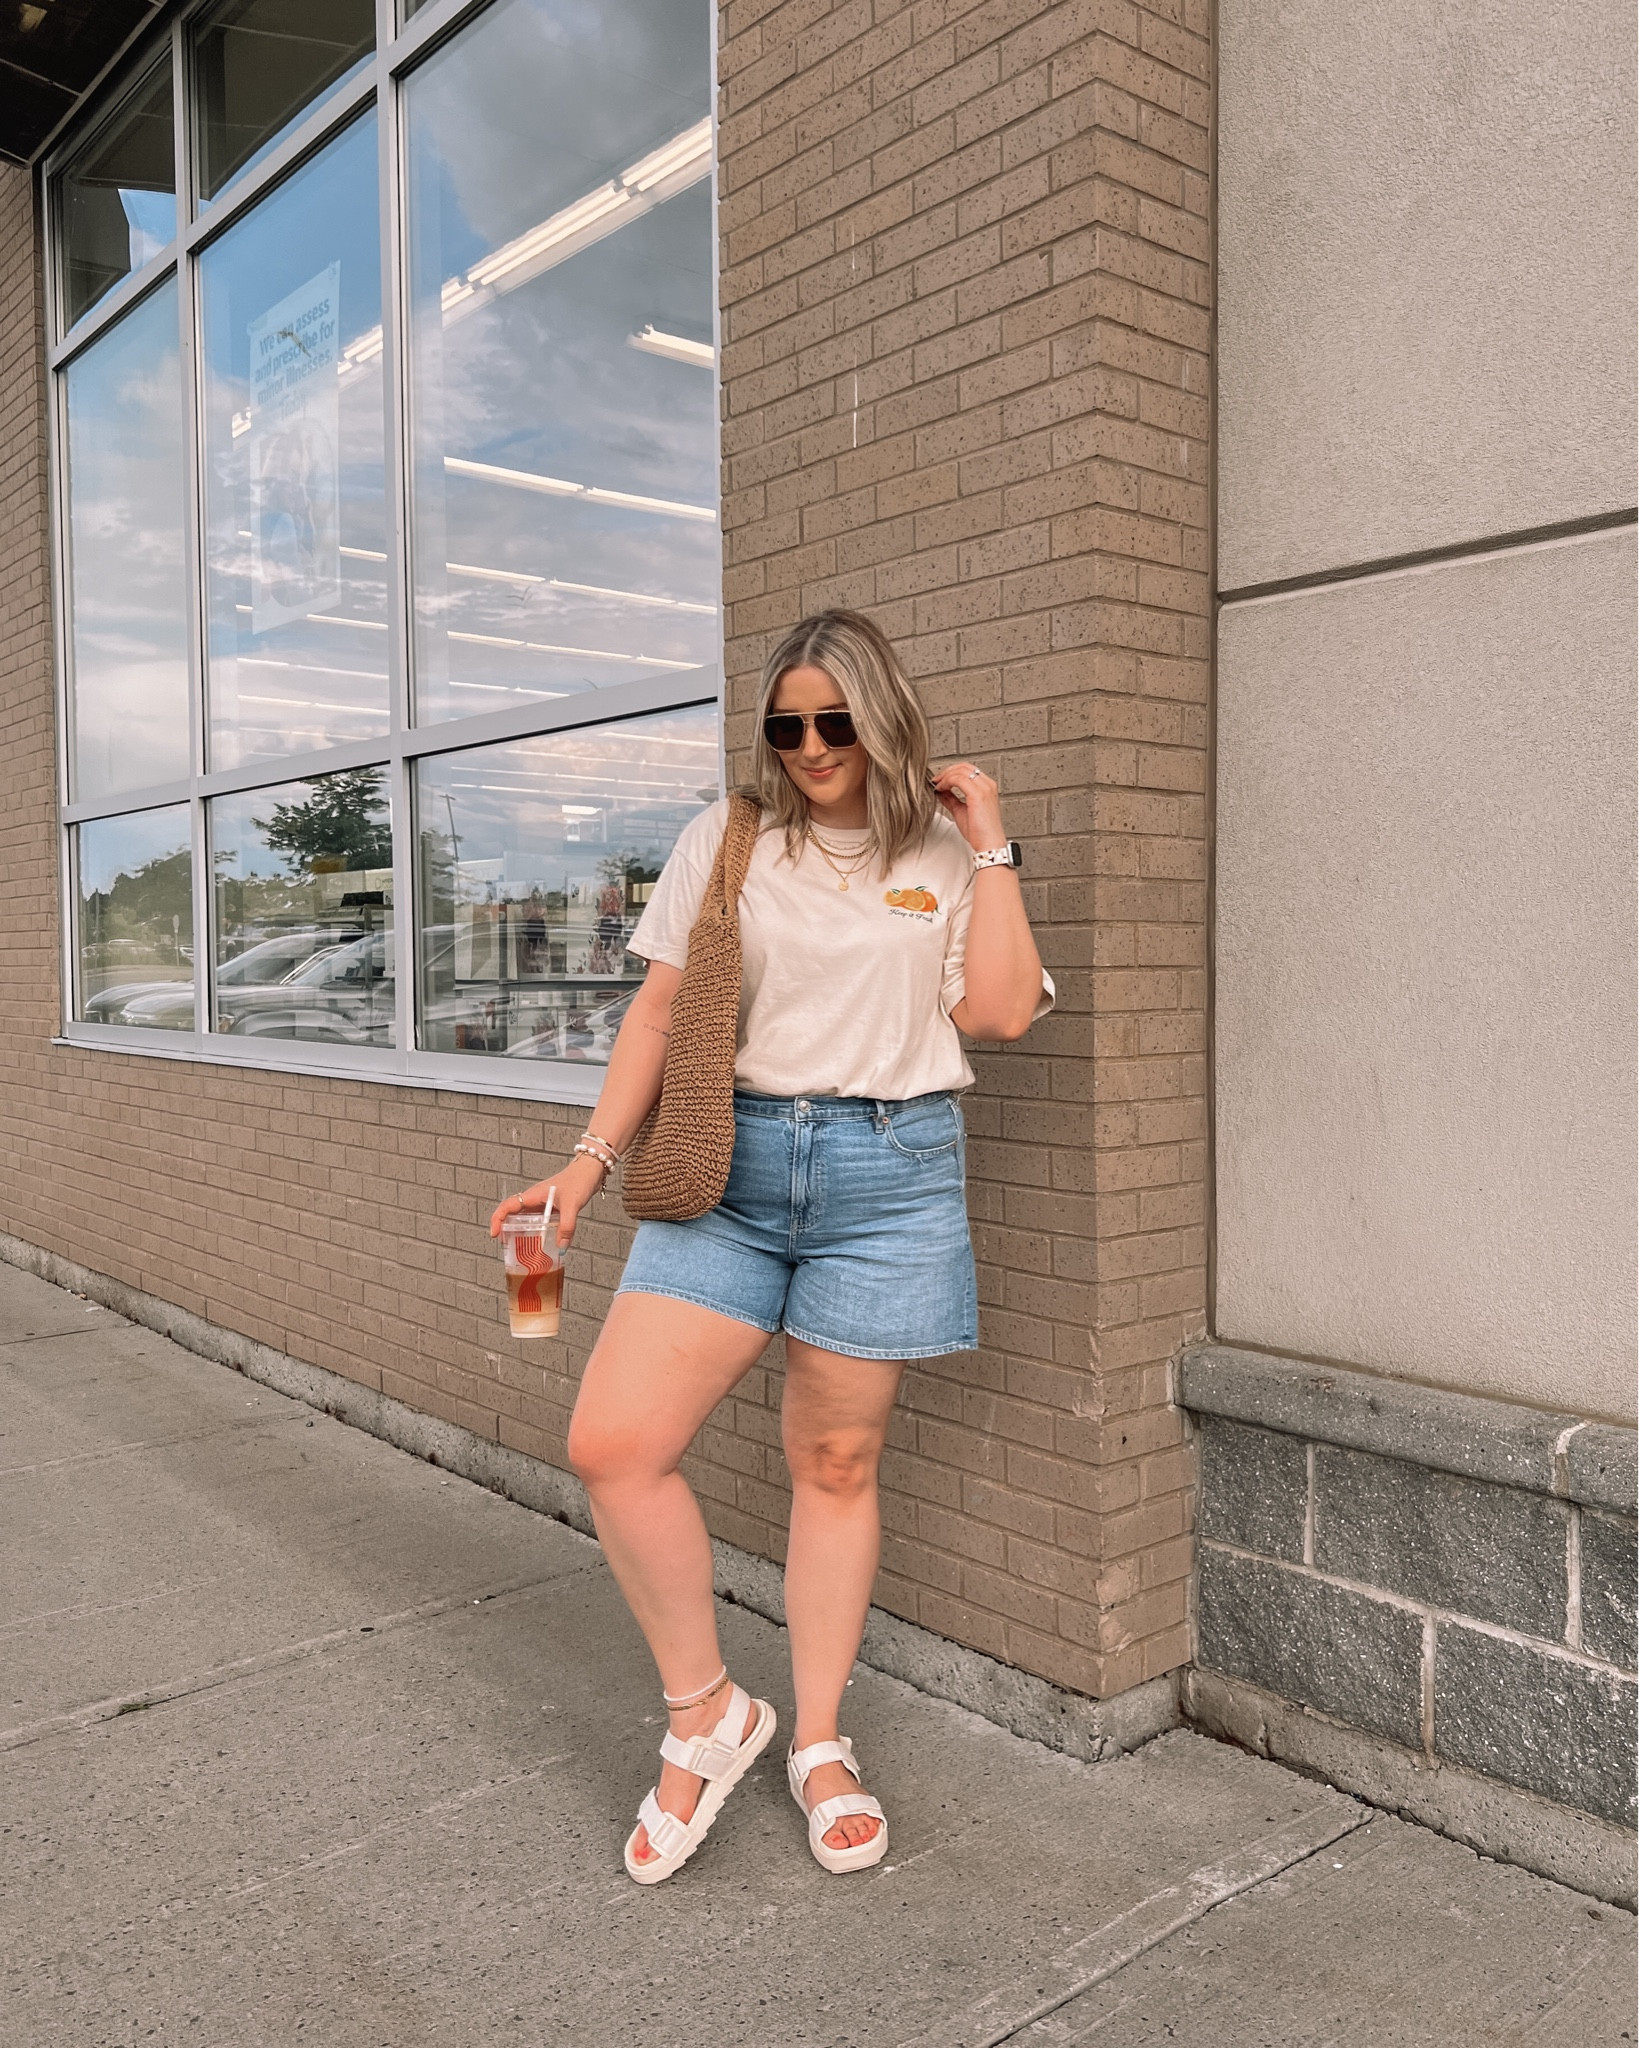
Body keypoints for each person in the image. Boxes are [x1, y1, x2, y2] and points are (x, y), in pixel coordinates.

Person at [489, 608, 1051, 1884]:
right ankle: (706, 1715)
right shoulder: (727, 838)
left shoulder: (944, 853)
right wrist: (585, 1166)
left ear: (881, 716)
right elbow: (661, 1009)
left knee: (835, 1463)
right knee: (615, 1443)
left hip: (890, 1172)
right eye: (786, 723)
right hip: (730, 1169)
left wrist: (994, 845)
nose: (808, 745)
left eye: (835, 720)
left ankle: (818, 1741)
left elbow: (1002, 1011)